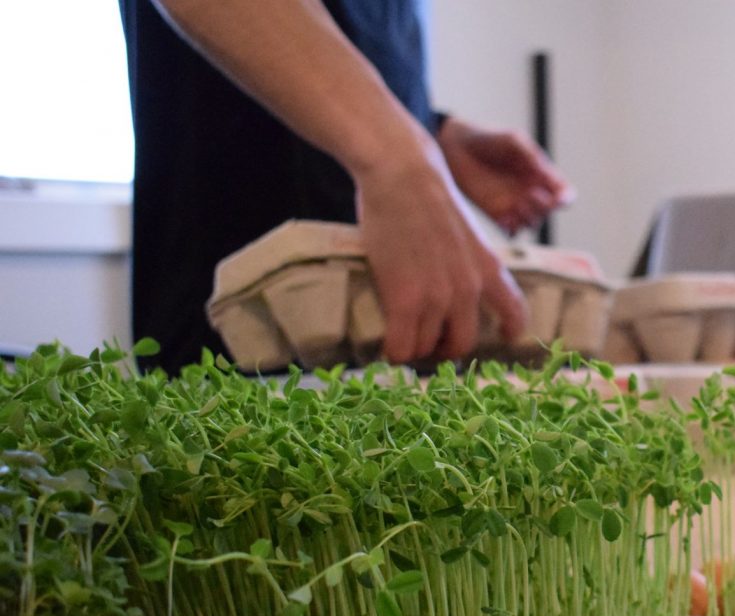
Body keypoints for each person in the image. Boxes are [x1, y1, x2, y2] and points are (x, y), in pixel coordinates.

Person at [120, 0, 574, 373]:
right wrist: (396, 156)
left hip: (382, 339)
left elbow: (353, 28)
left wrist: (433, 133)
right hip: (244, 327)